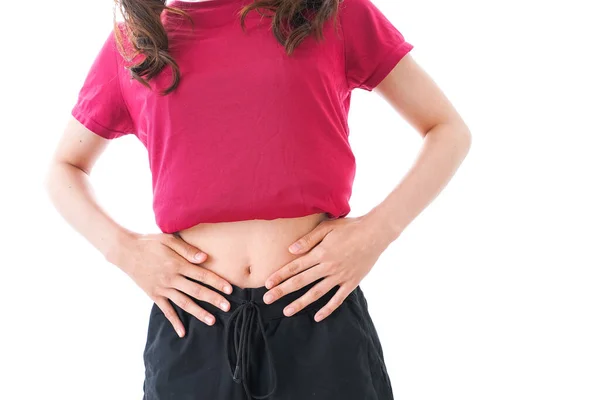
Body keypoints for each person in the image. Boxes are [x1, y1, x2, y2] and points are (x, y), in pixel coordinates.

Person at [45, 0, 471, 398]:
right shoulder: (138, 39)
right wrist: (124, 250)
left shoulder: (330, 11)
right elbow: (65, 167)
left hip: (318, 311)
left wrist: (377, 233)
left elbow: (447, 129)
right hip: (192, 322)